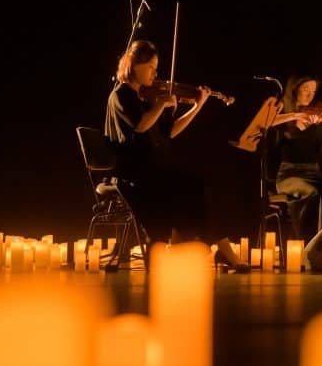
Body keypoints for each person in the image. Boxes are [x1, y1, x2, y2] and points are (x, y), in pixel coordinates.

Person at [104, 39, 248, 272]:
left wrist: (197, 106)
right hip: (133, 175)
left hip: (150, 171)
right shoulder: (120, 96)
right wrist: (160, 105)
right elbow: (140, 126)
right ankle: (205, 248)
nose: (155, 73)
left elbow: (169, 132)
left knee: (197, 188)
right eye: (150, 66)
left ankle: (203, 247)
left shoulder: (146, 98)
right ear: (133, 64)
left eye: (156, 67)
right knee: (192, 189)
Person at [268, 74, 322, 242]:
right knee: (312, 193)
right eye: (305, 90)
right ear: (295, 90)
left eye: (313, 91)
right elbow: (266, 123)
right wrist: (295, 116)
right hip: (289, 175)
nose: (310, 95)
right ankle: (307, 241)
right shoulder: (284, 114)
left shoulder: (318, 119)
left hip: (314, 173)